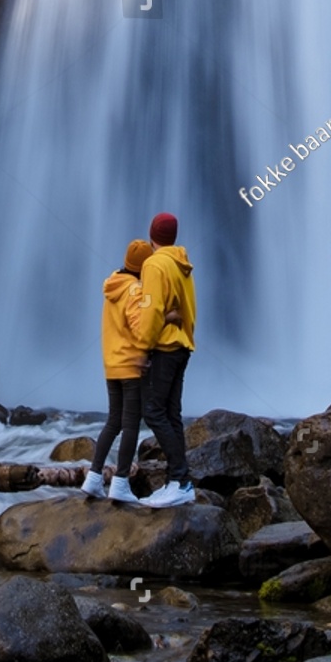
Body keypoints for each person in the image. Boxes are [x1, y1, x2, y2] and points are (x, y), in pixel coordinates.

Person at [82, 239, 153, 504]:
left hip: (111, 364)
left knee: (113, 422)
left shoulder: (113, 284)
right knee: (131, 424)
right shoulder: (135, 290)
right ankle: (121, 482)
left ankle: (93, 477)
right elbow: (139, 327)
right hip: (131, 365)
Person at [135, 212, 197, 508]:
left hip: (164, 347)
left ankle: (182, 481)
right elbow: (186, 308)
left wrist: (141, 347)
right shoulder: (182, 263)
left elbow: (149, 309)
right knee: (172, 415)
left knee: (154, 412)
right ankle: (177, 482)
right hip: (182, 344)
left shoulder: (154, 264)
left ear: (151, 236)